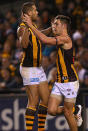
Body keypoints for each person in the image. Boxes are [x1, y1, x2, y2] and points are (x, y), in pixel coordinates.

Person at [23, 14, 82, 131]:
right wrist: (32, 28)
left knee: (67, 113)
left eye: (56, 24)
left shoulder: (66, 39)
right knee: (51, 111)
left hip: (70, 81)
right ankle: (76, 109)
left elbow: (44, 40)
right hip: (59, 81)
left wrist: (30, 25)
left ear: (64, 26)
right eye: (53, 23)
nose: (54, 26)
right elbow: (42, 35)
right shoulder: (60, 37)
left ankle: (72, 111)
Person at [17, 2, 52, 131]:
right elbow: (24, 44)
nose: (37, 12)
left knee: (45, 100)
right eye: (35, 10)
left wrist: (49, 30)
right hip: (28, 69)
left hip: (38, 68)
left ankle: (41, 129)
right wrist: (27, 26)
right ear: (29, 13)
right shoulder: (21, 28)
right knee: (34, 101)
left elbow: (37, 35)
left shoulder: (33, 25)